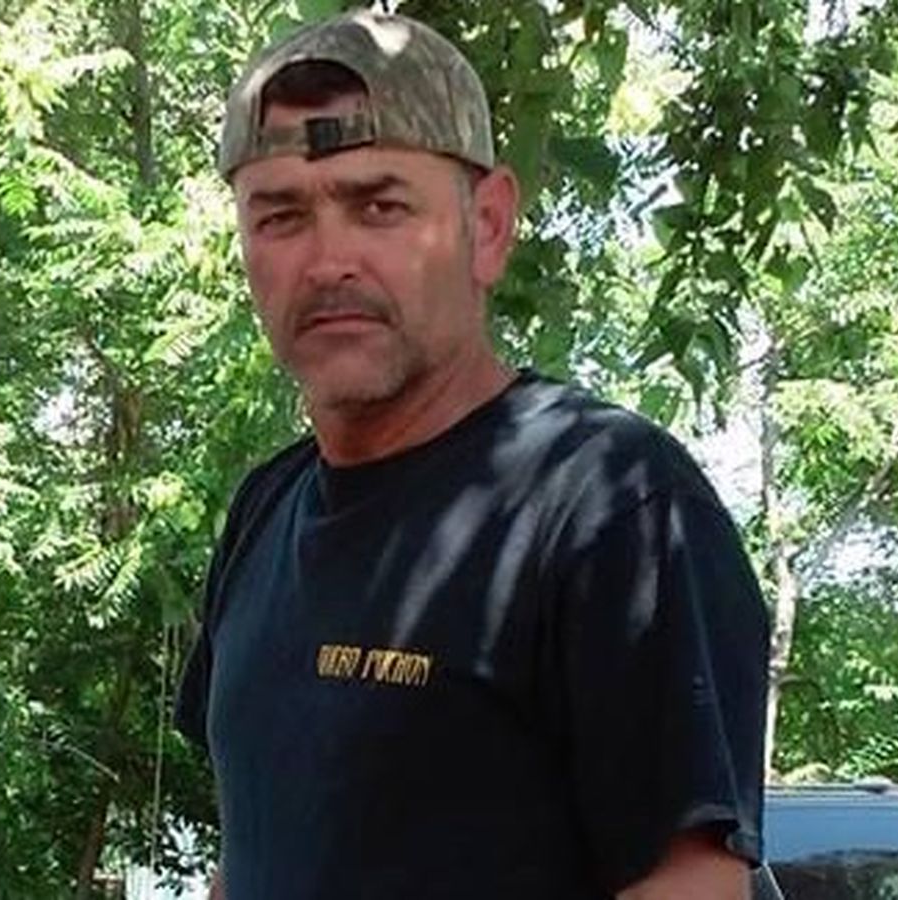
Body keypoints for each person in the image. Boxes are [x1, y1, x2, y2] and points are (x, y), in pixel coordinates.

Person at [175, 9, 770, 899]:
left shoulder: (610, 504)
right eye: (281, 216)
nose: (329, 261)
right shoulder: (264, 510)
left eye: (379, 207)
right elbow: (254, 853)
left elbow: (690, 887)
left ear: (488, 226)